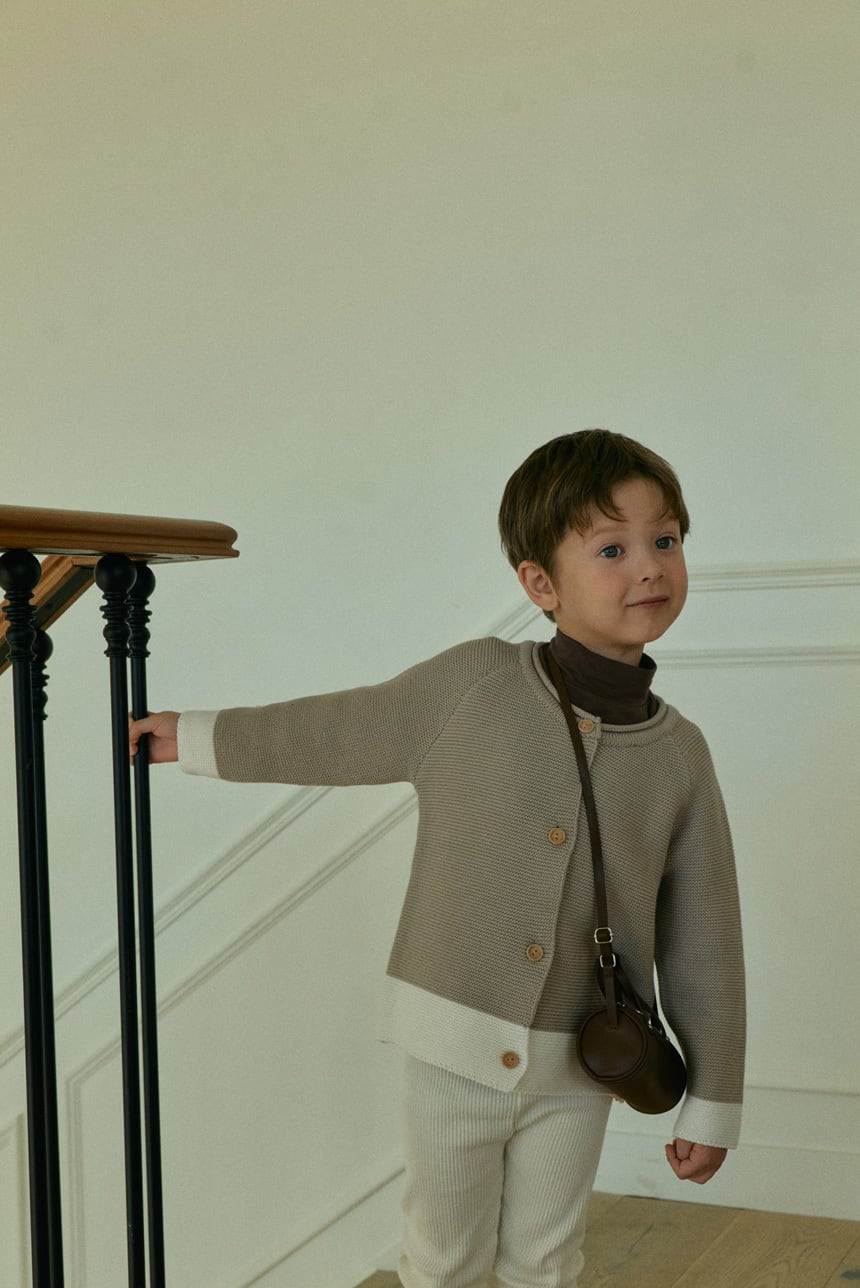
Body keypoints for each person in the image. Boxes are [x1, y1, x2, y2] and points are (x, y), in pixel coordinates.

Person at [130, 429, 745, 1288]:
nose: (649, 567)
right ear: (540, 584)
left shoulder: (681, 753)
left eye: (666, 540)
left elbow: (705, 936)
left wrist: (712, 1101)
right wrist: (197, 737)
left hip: (586, 1060)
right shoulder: (475, 686)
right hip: (452, 1047)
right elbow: (343, 729)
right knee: (443, 1259)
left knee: (547, 1262)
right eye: (612, 549)